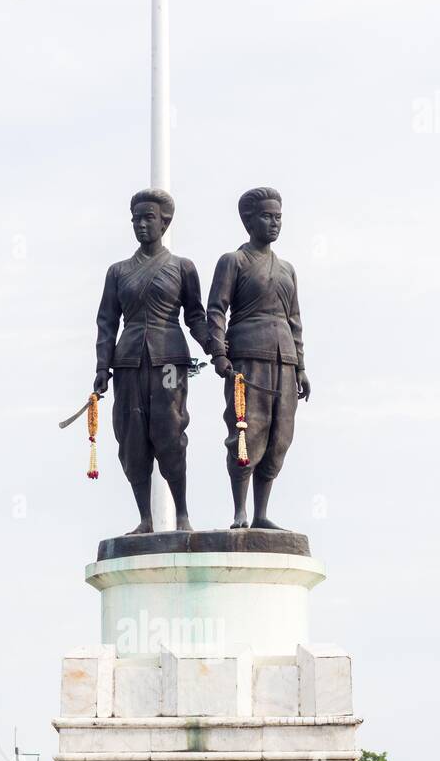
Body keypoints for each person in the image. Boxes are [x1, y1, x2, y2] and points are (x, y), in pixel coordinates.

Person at [95, 190, 211, 534]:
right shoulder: (117, 272)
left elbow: (196, 316)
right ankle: (145, 519)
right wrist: (102, 367)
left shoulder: (182, 267)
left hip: (170, 363)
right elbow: (106, 322)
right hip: (129, 362)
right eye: (136, 219)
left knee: (170, 430)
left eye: (148, 218)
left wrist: (216, 348)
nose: (141, 225)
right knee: (131, 436)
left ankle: (182, 514)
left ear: (165, 221)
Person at [207, 187, 310, 530]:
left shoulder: (287, 270)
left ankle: (262, 513)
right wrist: (219, 352)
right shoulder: (233, 262)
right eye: (266, 216)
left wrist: (302, 366)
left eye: (278, 217)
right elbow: (216, 310)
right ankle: (240, 511)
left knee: (279, 437)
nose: (274, 223)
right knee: (246, 432)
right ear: (248, 220)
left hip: (285, 360)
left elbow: (294, 319)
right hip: (247, 358)